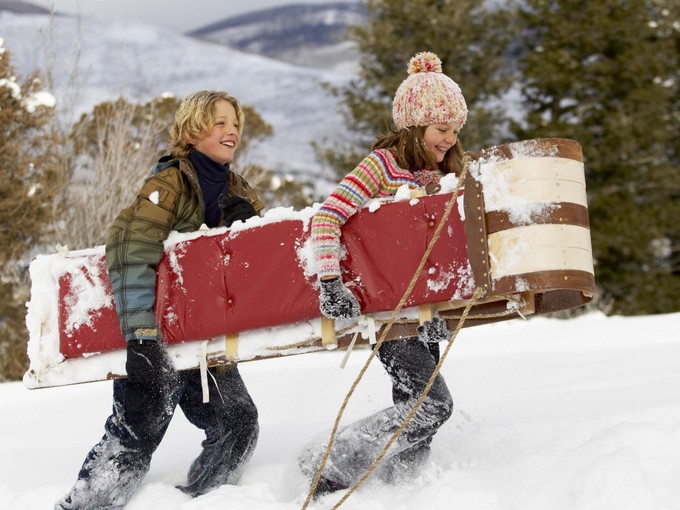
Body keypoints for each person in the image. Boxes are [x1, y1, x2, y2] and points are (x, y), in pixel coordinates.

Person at [56, 90, 264, 510]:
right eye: (219, 122)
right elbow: (129, 251)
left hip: (203, 336)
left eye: (235, 122)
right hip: (154, 333)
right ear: (192, 130)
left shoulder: (238, 189)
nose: (232, 130)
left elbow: (259, 265)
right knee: (139, 430)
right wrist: (142, 338)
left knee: (237, 423)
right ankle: (84, 506)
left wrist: (250, 226)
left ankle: (205, 500)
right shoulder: (167, 184)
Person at [301, 51, 468, 497]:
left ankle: (403, 491)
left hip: (423, 313)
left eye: (455, 130)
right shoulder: (381, 166)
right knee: (433, 406)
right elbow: (326, 218)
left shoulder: (442, 172)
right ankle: (328, 466)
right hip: (387, 314)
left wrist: (444, 306)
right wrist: (331, 283)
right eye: (441, 129)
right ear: (414, 127)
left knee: (416, 411)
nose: (450, 139)